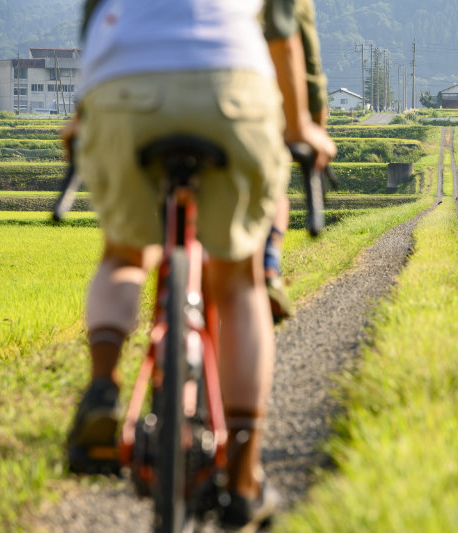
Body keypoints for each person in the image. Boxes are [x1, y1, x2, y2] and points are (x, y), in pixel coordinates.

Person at [64, 0, 335, 528]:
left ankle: (101, 388)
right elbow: (285, 29)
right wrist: (302, 125)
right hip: (232, 85)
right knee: (238, 282)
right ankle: (242, 477)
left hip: (123, 83)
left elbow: (97, 14)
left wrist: (82, 117)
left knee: (123, 254)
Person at [264, 0, 330, 322]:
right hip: (241, 105)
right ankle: (268, 265)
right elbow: (305, 62)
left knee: (123, 257)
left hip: (133, 105)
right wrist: (309, 128)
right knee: (273, 191)